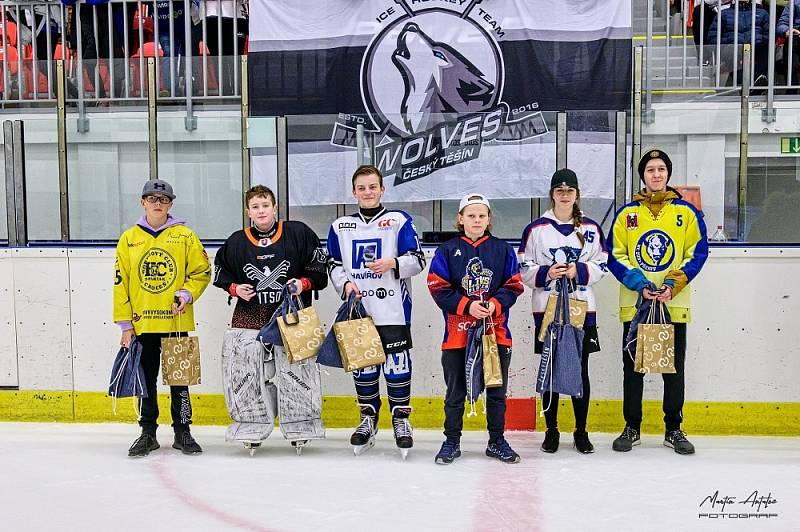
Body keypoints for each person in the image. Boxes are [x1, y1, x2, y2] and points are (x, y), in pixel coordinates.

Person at [607, 149, 708, 455]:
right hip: (637, 306)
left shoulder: (686, 213)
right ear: (643, 175)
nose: (656, 174)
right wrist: (640, 285)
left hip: (672, 305)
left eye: (661, 169)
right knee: (633, 368)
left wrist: (671, 285)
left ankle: (673, 428)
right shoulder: (627, 215)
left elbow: (697, 252)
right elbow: (615, 254)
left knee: (673, 369)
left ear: (667, 174)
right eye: (650, 169)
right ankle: (632, 427)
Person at [213, 185, 328, 451]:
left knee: (299, 371)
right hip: (249, 313)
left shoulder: (298, 233)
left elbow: (320, 270)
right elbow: (219, 272)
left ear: (275, 207)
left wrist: (303, 284)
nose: (261, 211)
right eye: (255, 207)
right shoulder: (236, 241)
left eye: (265, 205)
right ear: (248, 212)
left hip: (293, 312)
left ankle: (302, 421)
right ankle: (250, 421)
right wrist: (234, 288)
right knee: (245, 369)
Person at [326, 165, 426, 457]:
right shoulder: (340, 226)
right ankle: (368, 419)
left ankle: (401, 420)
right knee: (365, 368)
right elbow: (333, 263)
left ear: (382, 189)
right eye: (362, 188)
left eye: (373, 187)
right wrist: (345, 286)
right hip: (359, 311)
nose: (368, 192)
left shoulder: (398, 221)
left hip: (393, 310)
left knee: (397, 367)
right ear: (354, 192)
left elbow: (418, 260)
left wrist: (393, 263)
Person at [113, 179, 211, 457]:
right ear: (142, 202)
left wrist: (188, 294)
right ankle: (147, 433)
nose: (158, 203)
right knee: (145, 379)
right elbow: (121, 283)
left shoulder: (185, 236)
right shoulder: (129, 238)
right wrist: (125, 325)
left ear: (171, 204)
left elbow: (202, 271)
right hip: (142, 323)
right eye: (152, 198)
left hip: (175, 321)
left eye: (163, 199)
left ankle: (183, 432)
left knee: (180, 379)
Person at [427, 193, 524, 465]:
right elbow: (436, 285)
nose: (477, 220)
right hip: (457, 335)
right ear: (460, 219)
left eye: (482, 215)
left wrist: (494, 303)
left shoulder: (503, 249)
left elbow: (514, 285)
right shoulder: (446, 250)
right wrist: (466, 306)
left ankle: (496, 441)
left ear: (489, 219)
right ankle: (451, 441)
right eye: (471, 215)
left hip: (496, 334)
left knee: (496, 391)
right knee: (455, 391)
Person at [518, 169, 609, 454]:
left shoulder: (591, 229)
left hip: (582, 310)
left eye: (570, 191)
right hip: (548, 310)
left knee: (580, 369)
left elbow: (602, 264)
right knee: (550, 369)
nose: (565, 195)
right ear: (552, 194)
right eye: (560, 190)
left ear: (577, 194)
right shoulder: (536, 229)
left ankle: (581, 430)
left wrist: (577, 270)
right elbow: (523, 267)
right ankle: (551, 429)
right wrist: (547, 272)